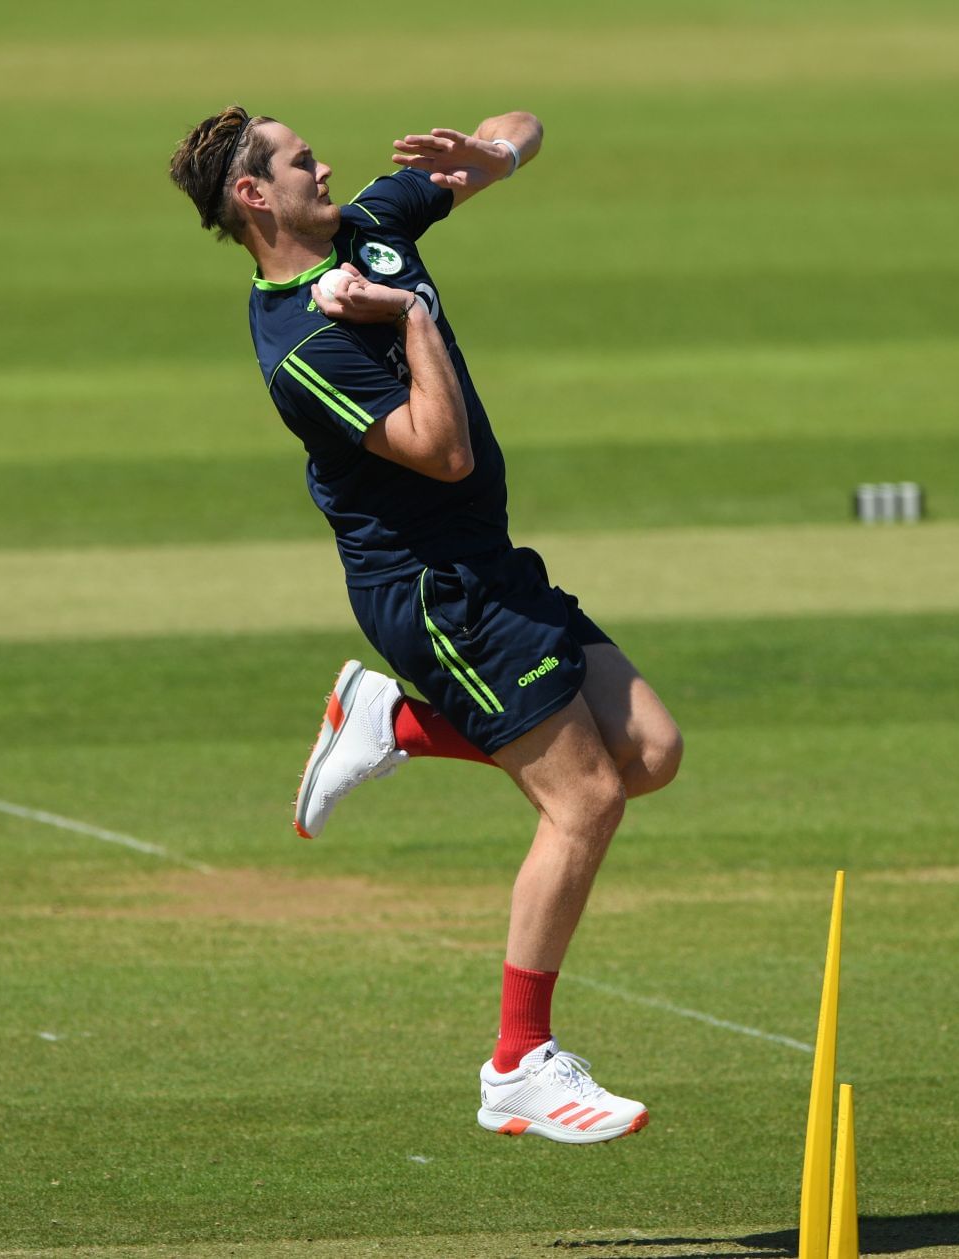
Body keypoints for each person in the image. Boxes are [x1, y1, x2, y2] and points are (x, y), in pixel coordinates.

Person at [168, 106, 682, 1144]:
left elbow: (525, 128)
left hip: (489, 563)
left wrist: (487, 156)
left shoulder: (368, 226)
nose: (327, 163)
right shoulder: (303, 344)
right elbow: (440, 451)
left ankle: (392, 724)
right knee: (583, 799)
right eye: (300, 159)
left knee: (652, 751)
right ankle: (516, 1066)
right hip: (436, 593)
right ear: (253, 197)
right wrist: (407, 317)